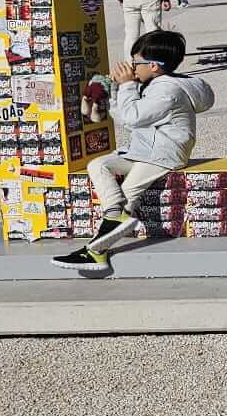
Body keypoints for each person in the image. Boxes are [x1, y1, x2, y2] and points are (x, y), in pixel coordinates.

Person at [52, 29, 215, 271]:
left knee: (128, 194)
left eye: (136, 63)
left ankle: (95, 252)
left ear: (153, 66)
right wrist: (114, 90)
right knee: (99, 165)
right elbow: (128, 119)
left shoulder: (167, 91)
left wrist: (127, 85)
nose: (131, 68)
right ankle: (114, 213)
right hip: (144, 150)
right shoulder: (154, 84)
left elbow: (133, 117)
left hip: (163, 154)